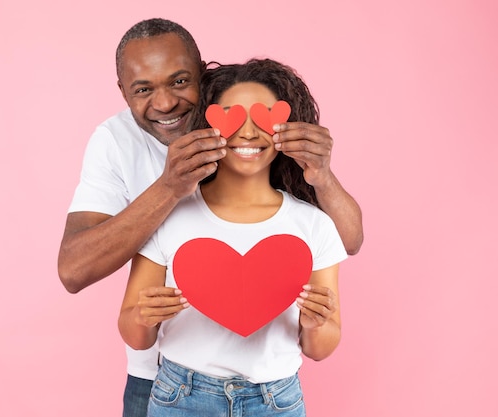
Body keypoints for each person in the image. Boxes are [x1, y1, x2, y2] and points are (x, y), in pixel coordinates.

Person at [57, 18, 363, 417]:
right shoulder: (115, 142)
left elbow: (348, 241)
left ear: (204, 76)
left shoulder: (249, 132)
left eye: (180, 82)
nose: (165, 103)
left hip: (272, 393)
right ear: (123, 92)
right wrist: (168, 189)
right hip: (163, 379)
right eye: (143, 89)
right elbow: (73, 271)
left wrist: (321, 175)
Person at [118, 57, 347, 416]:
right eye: (231, 117)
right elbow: (134, 332)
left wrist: (316, 323)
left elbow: (319, 347)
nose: (249, 132)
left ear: (287, 128)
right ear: (206, 125)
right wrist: (144, 317)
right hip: (181, 396)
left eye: (265, 117)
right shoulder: (168, 216)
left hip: (276, 401)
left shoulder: (314, 225)